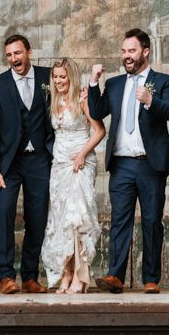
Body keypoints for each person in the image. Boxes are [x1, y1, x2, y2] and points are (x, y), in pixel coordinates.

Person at [88, 28, 169, 295]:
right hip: (122, 164)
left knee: (151, 221)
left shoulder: (163, 81)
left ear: (145, 52)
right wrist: (93, 83)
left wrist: (152, 100)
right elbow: (96, 111)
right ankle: (115, 276)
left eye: (132, 51)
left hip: (151, 164)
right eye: (124, 51)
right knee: (120, 221)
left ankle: (151, 279)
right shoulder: (114, 84)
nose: (127, 56)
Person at [0, 34, 54, 294]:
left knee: (37, 217)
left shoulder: (49, 77)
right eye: (9, 55)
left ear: (29, 52)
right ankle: (5, 276)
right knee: (5, 215)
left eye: (18, 53)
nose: (14, 59)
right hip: (8, 164)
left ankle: (30, 276)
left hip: (40, 161)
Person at [41, 58, 105, 293]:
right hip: (59, 166)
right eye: (55, 77)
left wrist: (81, 156)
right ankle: (66, 273)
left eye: (63, 77)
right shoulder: (54, 101)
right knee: (61, 221)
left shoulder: (82, 99)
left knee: (78, 220)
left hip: (80, 164)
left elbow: (99, 131)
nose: (58, 81)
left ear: (72, 78)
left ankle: (80, 275)